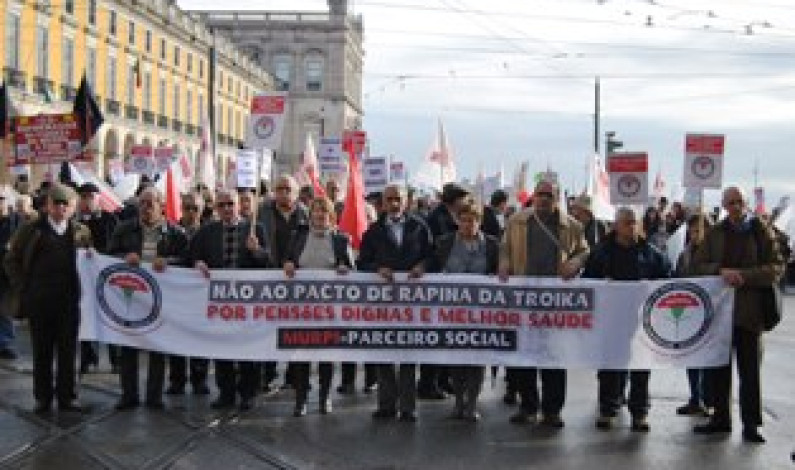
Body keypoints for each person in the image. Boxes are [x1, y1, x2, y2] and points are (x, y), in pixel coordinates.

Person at [692, 186, 784, 444]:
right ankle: (721, 418)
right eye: (730, 202)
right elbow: (697, 266)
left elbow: (776, 268)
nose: (735, 207)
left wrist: (745, 276)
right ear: (724, 205)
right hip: (720, 314)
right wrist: (720, 271)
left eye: (739, 202)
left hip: (751, 314)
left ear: (746, 204)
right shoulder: (715, 233)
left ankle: (751, 424)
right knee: (719, 371)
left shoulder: (761, 231)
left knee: (750, 372)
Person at [498, 180, 589, 428]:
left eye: (549, 195)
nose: (544, 199)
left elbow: (584, 251)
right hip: (524, 300)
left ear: (557, 198)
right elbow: (504, 247)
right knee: (525, 355)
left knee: (554, 357)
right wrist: (504, 263)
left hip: (555, 303)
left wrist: (575, 263)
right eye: (540, 194)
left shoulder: (572, 225)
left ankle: (552, 411)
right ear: (533, 196)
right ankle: (528, 406)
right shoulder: (516, 221)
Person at [4, 183, 92, 413]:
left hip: (69, 302)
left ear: (73, 207)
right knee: (42, 351)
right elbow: (11, 259)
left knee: (68, 351)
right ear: (48, 205)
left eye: (66, 204)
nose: (61, 208)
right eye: (57, 203)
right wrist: (23, 286)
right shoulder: (31, 229)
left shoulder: (81, 231)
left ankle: (68, 397)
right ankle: (42, 397)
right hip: (40, 301)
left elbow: (90, 260)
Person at [583, 207, 672, 432]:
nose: (631, 227)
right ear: (616, 226)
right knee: (610, 367)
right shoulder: (601, 252)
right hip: (610, 320)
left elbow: (667, 277)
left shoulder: (651, 253)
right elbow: (587, 281)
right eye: (626, 222)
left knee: (641, 368)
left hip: (641, 321)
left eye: (634, 222)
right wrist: (603, 283)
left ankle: (639, 412)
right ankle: (608, 409)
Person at [359, 183, 434, 422]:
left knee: (408, 354)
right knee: (383, 353)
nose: (393, 204)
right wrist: (377, 269)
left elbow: (432, 256)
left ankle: (408, 407)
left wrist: (422, 266)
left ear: (406, 201)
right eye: (389, 199)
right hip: (382, 302)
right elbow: (362, 262)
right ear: (382, 203)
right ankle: (386, 405)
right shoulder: (373, 231)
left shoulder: (419, 227)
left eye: (398, 199)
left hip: (412, 302)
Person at [109, 187, 188, 411]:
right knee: (128, 345)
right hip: (130, 295)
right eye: (142, 203)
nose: (145, 208)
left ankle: (154, 395)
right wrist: (124, 257)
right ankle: (128, 394)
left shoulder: (176, 233)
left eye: (150, 203)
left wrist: (169, 262)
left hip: (160, 297)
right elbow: (108, 254)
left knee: (157, 345)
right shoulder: (123, 229)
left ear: (161, 206)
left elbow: (187, 259)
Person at [191, 189, 270, 411]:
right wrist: (198, 263)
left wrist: (256, 251)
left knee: (247, 348)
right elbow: (193, 255)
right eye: (222, 204)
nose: (227, 208)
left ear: (239, 205)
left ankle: (248, 393)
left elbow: (268, 261)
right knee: (221, 346)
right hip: (219, 301)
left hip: (247, 301)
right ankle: (226, 392)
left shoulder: (255, 229)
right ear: (216, 208)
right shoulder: (207, 231)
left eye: (231, 204)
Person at [284, 197, 355, 416]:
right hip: (302, 308)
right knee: (301, 355)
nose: (319, 215)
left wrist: (344, 267)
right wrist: (288, 264)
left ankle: (325, 397)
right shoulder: (298, 237)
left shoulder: (340, 240)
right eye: (316, 210)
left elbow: (352, 268)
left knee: (326, 354)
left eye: (324, 211)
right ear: (310, 214)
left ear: (331, 216)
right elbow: (287, 260)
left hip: (329, 308)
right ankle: (301, 400)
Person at [432, 201, 499, 421]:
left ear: (480, 221)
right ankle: (459, 401)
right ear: (457, 221)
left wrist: (499, 274)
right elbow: (433, 266)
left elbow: (500, 269)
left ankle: (472, 404)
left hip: (481, 313)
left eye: (473, 220)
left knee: (477, 360)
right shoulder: (444, 242)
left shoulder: (492, 245)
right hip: (452, 312)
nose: (468, 224)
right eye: (464, 220)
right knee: (456, 358)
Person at [258, 175, 310, 390]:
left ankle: (294, 375)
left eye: (288, 189)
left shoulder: (305, 214)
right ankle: (267, 374)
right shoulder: (263, 212)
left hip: (297, 279)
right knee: (269, 328)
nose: (284, 193)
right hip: (271, 276)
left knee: (295, 329)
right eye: (279, 189)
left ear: (296, 193)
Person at [419, 182, 470, 399]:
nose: (466, 202)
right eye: (463, 198)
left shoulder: (451, 216)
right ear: (454, 200)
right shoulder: (437, 219)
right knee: (436, 336)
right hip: (438, 282)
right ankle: (428, 383)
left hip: (449, 282)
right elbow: (438, 248)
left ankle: (443, 379)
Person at [166, 193, 210, 396]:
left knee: (200, 338)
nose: (191, 212)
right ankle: (177, 380)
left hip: (201, 295)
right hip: (176, 294)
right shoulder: (170, 231)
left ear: (202, 210)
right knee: (175, 337)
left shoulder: (208, 232)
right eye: (187, 208)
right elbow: (166, 257)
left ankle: (199, 379)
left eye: (195, 208)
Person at [75, 182, 120, 374]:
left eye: (90, 197)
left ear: (98, 199)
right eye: (83, 197)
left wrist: (99, 254)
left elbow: (116, 246)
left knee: (111, 317)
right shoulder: (74, 222)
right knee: (86, 317)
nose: (87, 201)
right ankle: (88, 358)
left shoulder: (110, 220)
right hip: (83, 278)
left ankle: (116, 360)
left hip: (107, 277)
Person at [675, 214, 714, 417]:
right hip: (690, 312)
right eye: (691, 231)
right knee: (691, 357)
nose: (694, 234)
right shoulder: (685, 254)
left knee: (708, 359)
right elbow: (678, 278)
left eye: (698, 230)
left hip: (711, 312)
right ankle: (695, 398)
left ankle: (709, 399)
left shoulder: (715, 254)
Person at [0, 195, 23, 359]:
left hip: (7, 272)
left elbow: (17, 245)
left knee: (5, 309)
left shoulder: (16, 221)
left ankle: (5, 343)